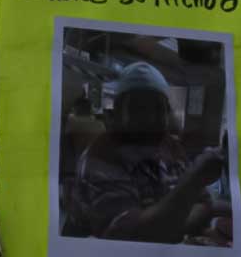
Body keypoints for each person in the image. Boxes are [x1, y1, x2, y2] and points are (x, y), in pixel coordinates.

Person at [67, 62, 229, 245]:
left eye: (157, 108)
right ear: (117, 112)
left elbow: (203, 205)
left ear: (167, 112)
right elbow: (137, 238)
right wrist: (193, 181)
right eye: (138, 109)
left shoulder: (170, 146)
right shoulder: (100, 159)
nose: (150, 119)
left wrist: (173, 223)